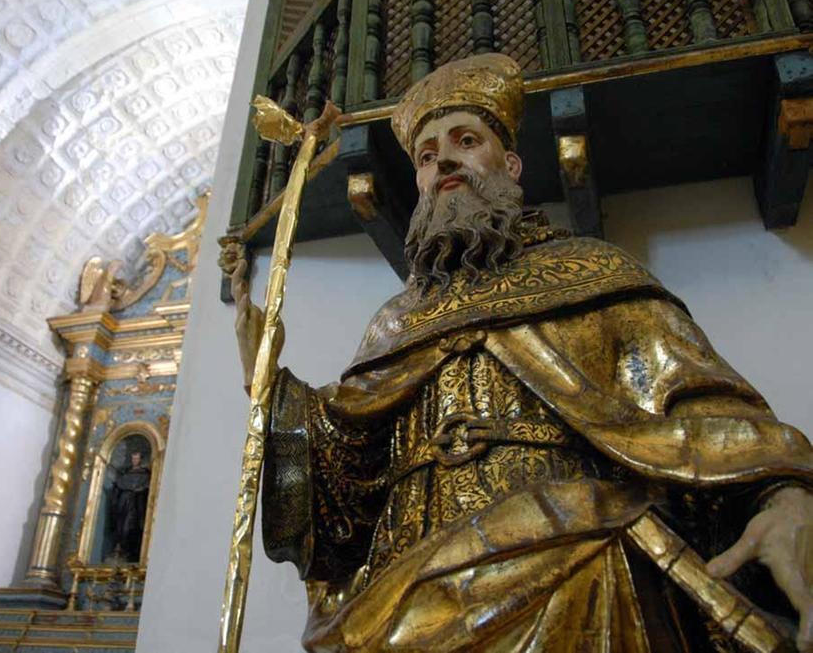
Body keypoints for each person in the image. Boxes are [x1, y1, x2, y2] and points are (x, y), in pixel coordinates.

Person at [225, 54, 813, 652]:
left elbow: (705, 406)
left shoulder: (592, 271)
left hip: (574, 566)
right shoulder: (394, 322)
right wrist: (267, 387)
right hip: (403, 598)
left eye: (465, 140)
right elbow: (347, 482)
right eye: (426, 155)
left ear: (509, 166)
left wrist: (784, 497)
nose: (443, 160)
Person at [108, 450, 150, 563]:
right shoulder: (125, 472)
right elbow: (119, 485)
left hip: (136, 504)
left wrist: (139, 490)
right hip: (124, 503)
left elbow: (146, 486)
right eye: (133, 458)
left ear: (140, 460)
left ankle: (128, 549)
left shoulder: (145, 473)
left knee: (132, 525)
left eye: (136, 458)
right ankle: (119, 547)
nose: (134, 460)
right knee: (121, 524)